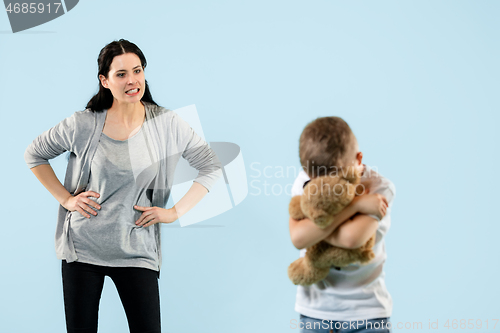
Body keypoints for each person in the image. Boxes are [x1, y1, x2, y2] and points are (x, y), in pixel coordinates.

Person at [24, 39, 222, 333]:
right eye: (121, 74)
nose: (132, 80)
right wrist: (67, 200)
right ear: (104, 80)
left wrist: (175, 212)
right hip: (83, 249)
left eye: (137, 70)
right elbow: (34, 154)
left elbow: (211, 166)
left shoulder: (166, 123)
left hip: (137, 250)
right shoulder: (83, 123)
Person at [289, 116, 396, 333]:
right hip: (315, 312)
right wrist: (356, 205)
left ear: (359, 160)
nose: (327, 187)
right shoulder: (305, 181)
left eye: (337, 181)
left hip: (366, 314)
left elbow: (351, 239)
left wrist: (314, 229)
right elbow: (298, 239)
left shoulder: (379, 188)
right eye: (319, 182)